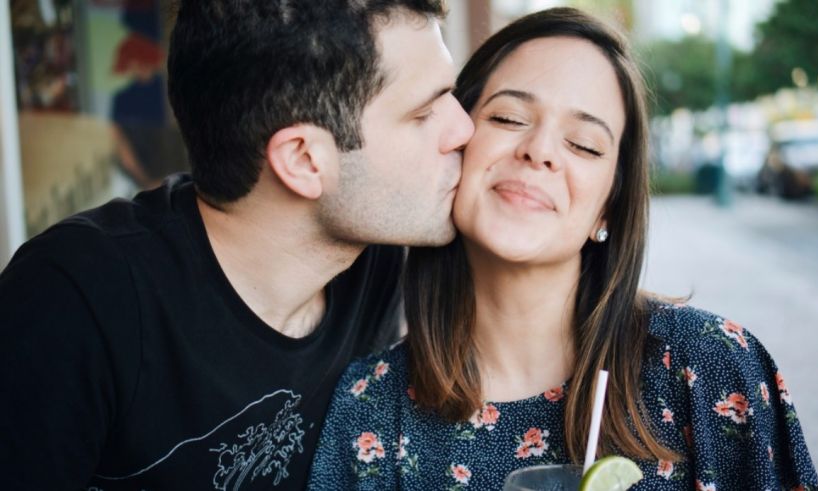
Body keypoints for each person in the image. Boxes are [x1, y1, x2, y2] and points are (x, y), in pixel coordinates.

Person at [308, 7, 818, 490]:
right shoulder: (368, 409)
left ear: (607, 209)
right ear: (455, 139)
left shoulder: (713, 369)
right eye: (509, 118)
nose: (539, 151)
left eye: (583, 144)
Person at [0, 0, 473, 488]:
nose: (464, 128)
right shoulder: (74, 304)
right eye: (423, 113)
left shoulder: (378, 258)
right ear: (304, 160)